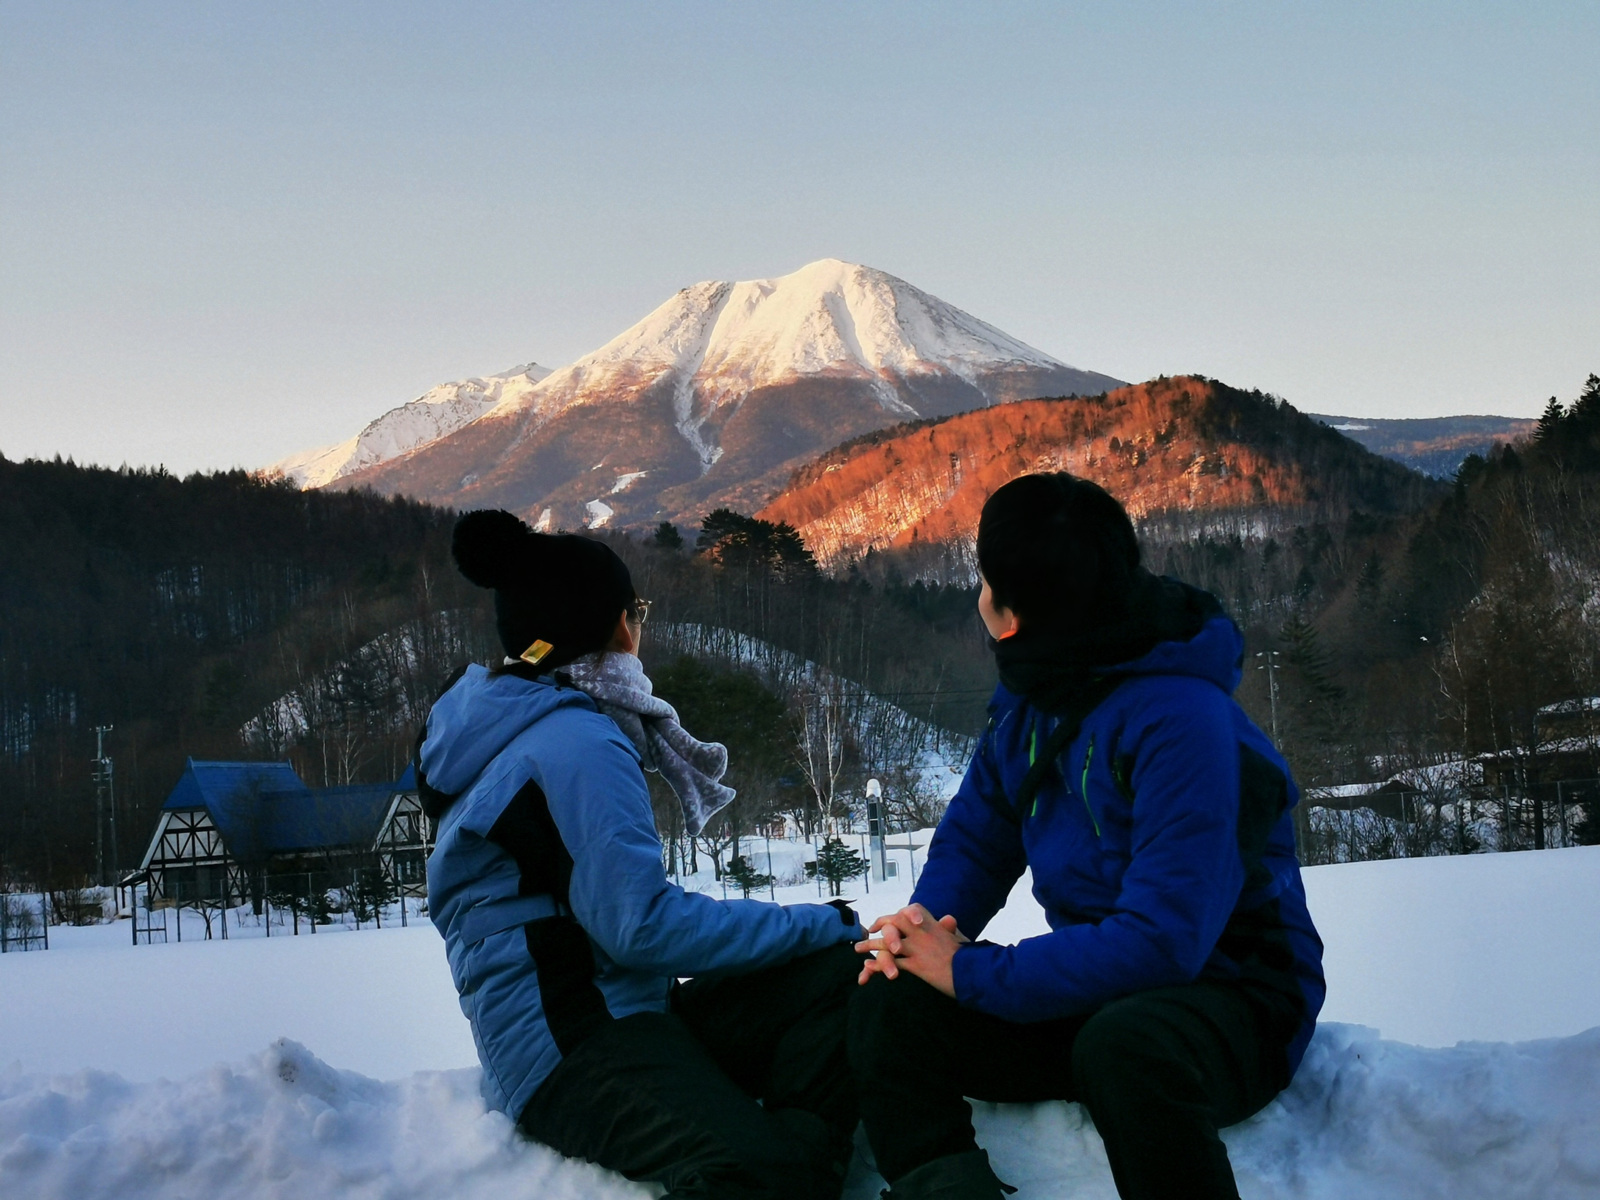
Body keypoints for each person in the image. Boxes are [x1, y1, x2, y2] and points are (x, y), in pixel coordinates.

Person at [851, 473, 1326, 1200]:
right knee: (891, 996)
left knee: (1126, 1047)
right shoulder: (1033, 696)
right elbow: (980, 837)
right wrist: (921, 935)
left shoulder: (1185, 723)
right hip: (1102, 990)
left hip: (1233, 1002)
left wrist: (971, 972)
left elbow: (1163, 941)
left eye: (982, 581)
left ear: (1009, 615)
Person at [418, 509, 863, 1200]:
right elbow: (642, 927)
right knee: (765, 1173)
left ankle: (788, 1161)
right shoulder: (577, 743)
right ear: (617, 626)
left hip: (618, 1015)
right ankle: (778, 1169)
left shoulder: (520, 729)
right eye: (639, 613)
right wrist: (813, 921)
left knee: (840, 973)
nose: (641, 632)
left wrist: (818, 939)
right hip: (574, 1050)